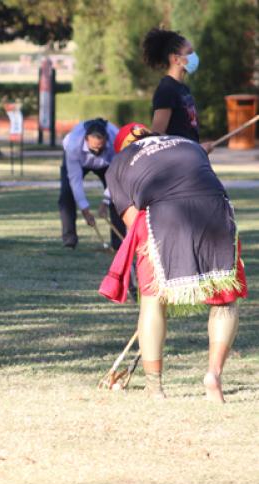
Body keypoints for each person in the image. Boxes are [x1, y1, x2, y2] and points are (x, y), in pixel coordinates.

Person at [99, 123, 247, 402]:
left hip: (162, 214)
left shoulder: (118, 162)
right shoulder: (186, 143)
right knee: (225, 298)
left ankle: (155, 388)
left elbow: (134, 226)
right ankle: (213, 374)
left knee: (153, 301)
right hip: (216, 210)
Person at [142, 28, 212, 153]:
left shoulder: (183, 88)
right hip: (178, 163)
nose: (194, 56)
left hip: (190, 158)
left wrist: (197, 149)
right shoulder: (166, 90)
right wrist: (192, 150)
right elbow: (158, 136)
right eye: (189, 52)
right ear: (175, 59)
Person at [58, 118, 124, 249]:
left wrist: (106, 201)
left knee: (118, 197)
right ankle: (69, 240)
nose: (97, 152)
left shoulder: (117, 142)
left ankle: (119, 243)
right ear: (86, 140)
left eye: (101, 147)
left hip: (107, 165)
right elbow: (75, 181)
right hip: (79, 162)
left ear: (106, 139)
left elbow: (117, 178)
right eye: (94, 148)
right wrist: (85, 210)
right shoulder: (72, 145)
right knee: (66, 195)